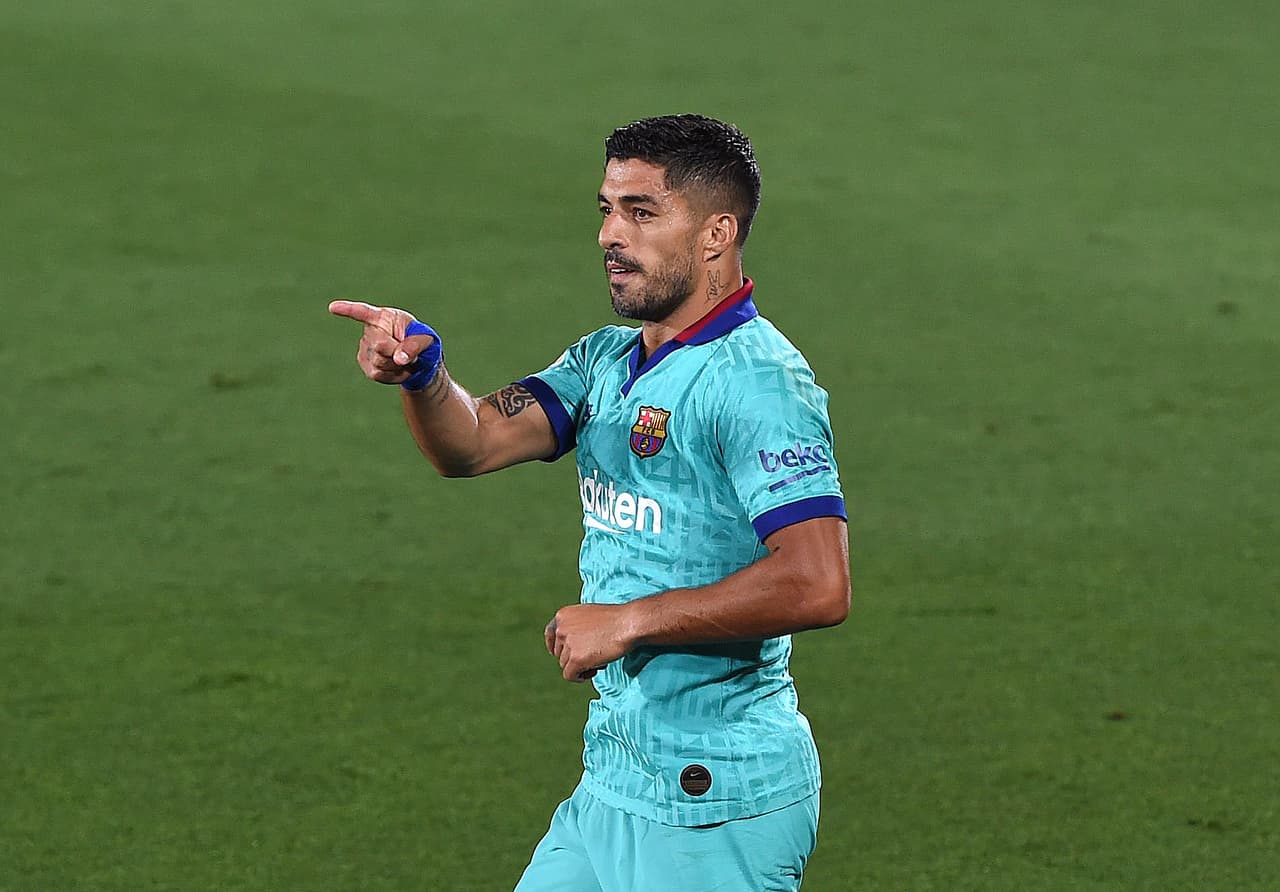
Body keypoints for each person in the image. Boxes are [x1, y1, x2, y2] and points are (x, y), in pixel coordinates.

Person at [330, 114, 851, 892]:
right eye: (606, 209)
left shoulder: (758, 382)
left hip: (713, 801)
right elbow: (471, 444)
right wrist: (423, 374)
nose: (611, 234)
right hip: (613, 783)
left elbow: (818, 582)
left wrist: (630, 620)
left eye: (641, 212)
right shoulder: (605, 361)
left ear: (716, 234)